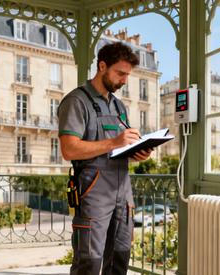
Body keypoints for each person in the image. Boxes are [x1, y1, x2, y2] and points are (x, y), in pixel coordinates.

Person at [59, 42, 154, 275]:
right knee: (89, 261)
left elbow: (120, 146)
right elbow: (69, 150)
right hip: (94, 191)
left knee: (119, 259)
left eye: (127, 75)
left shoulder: (119, 105)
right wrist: (114, 142)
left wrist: (138, 152)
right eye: (120, 73)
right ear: (102, 66)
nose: (124, 80)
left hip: (123, 192)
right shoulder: (76, 101)